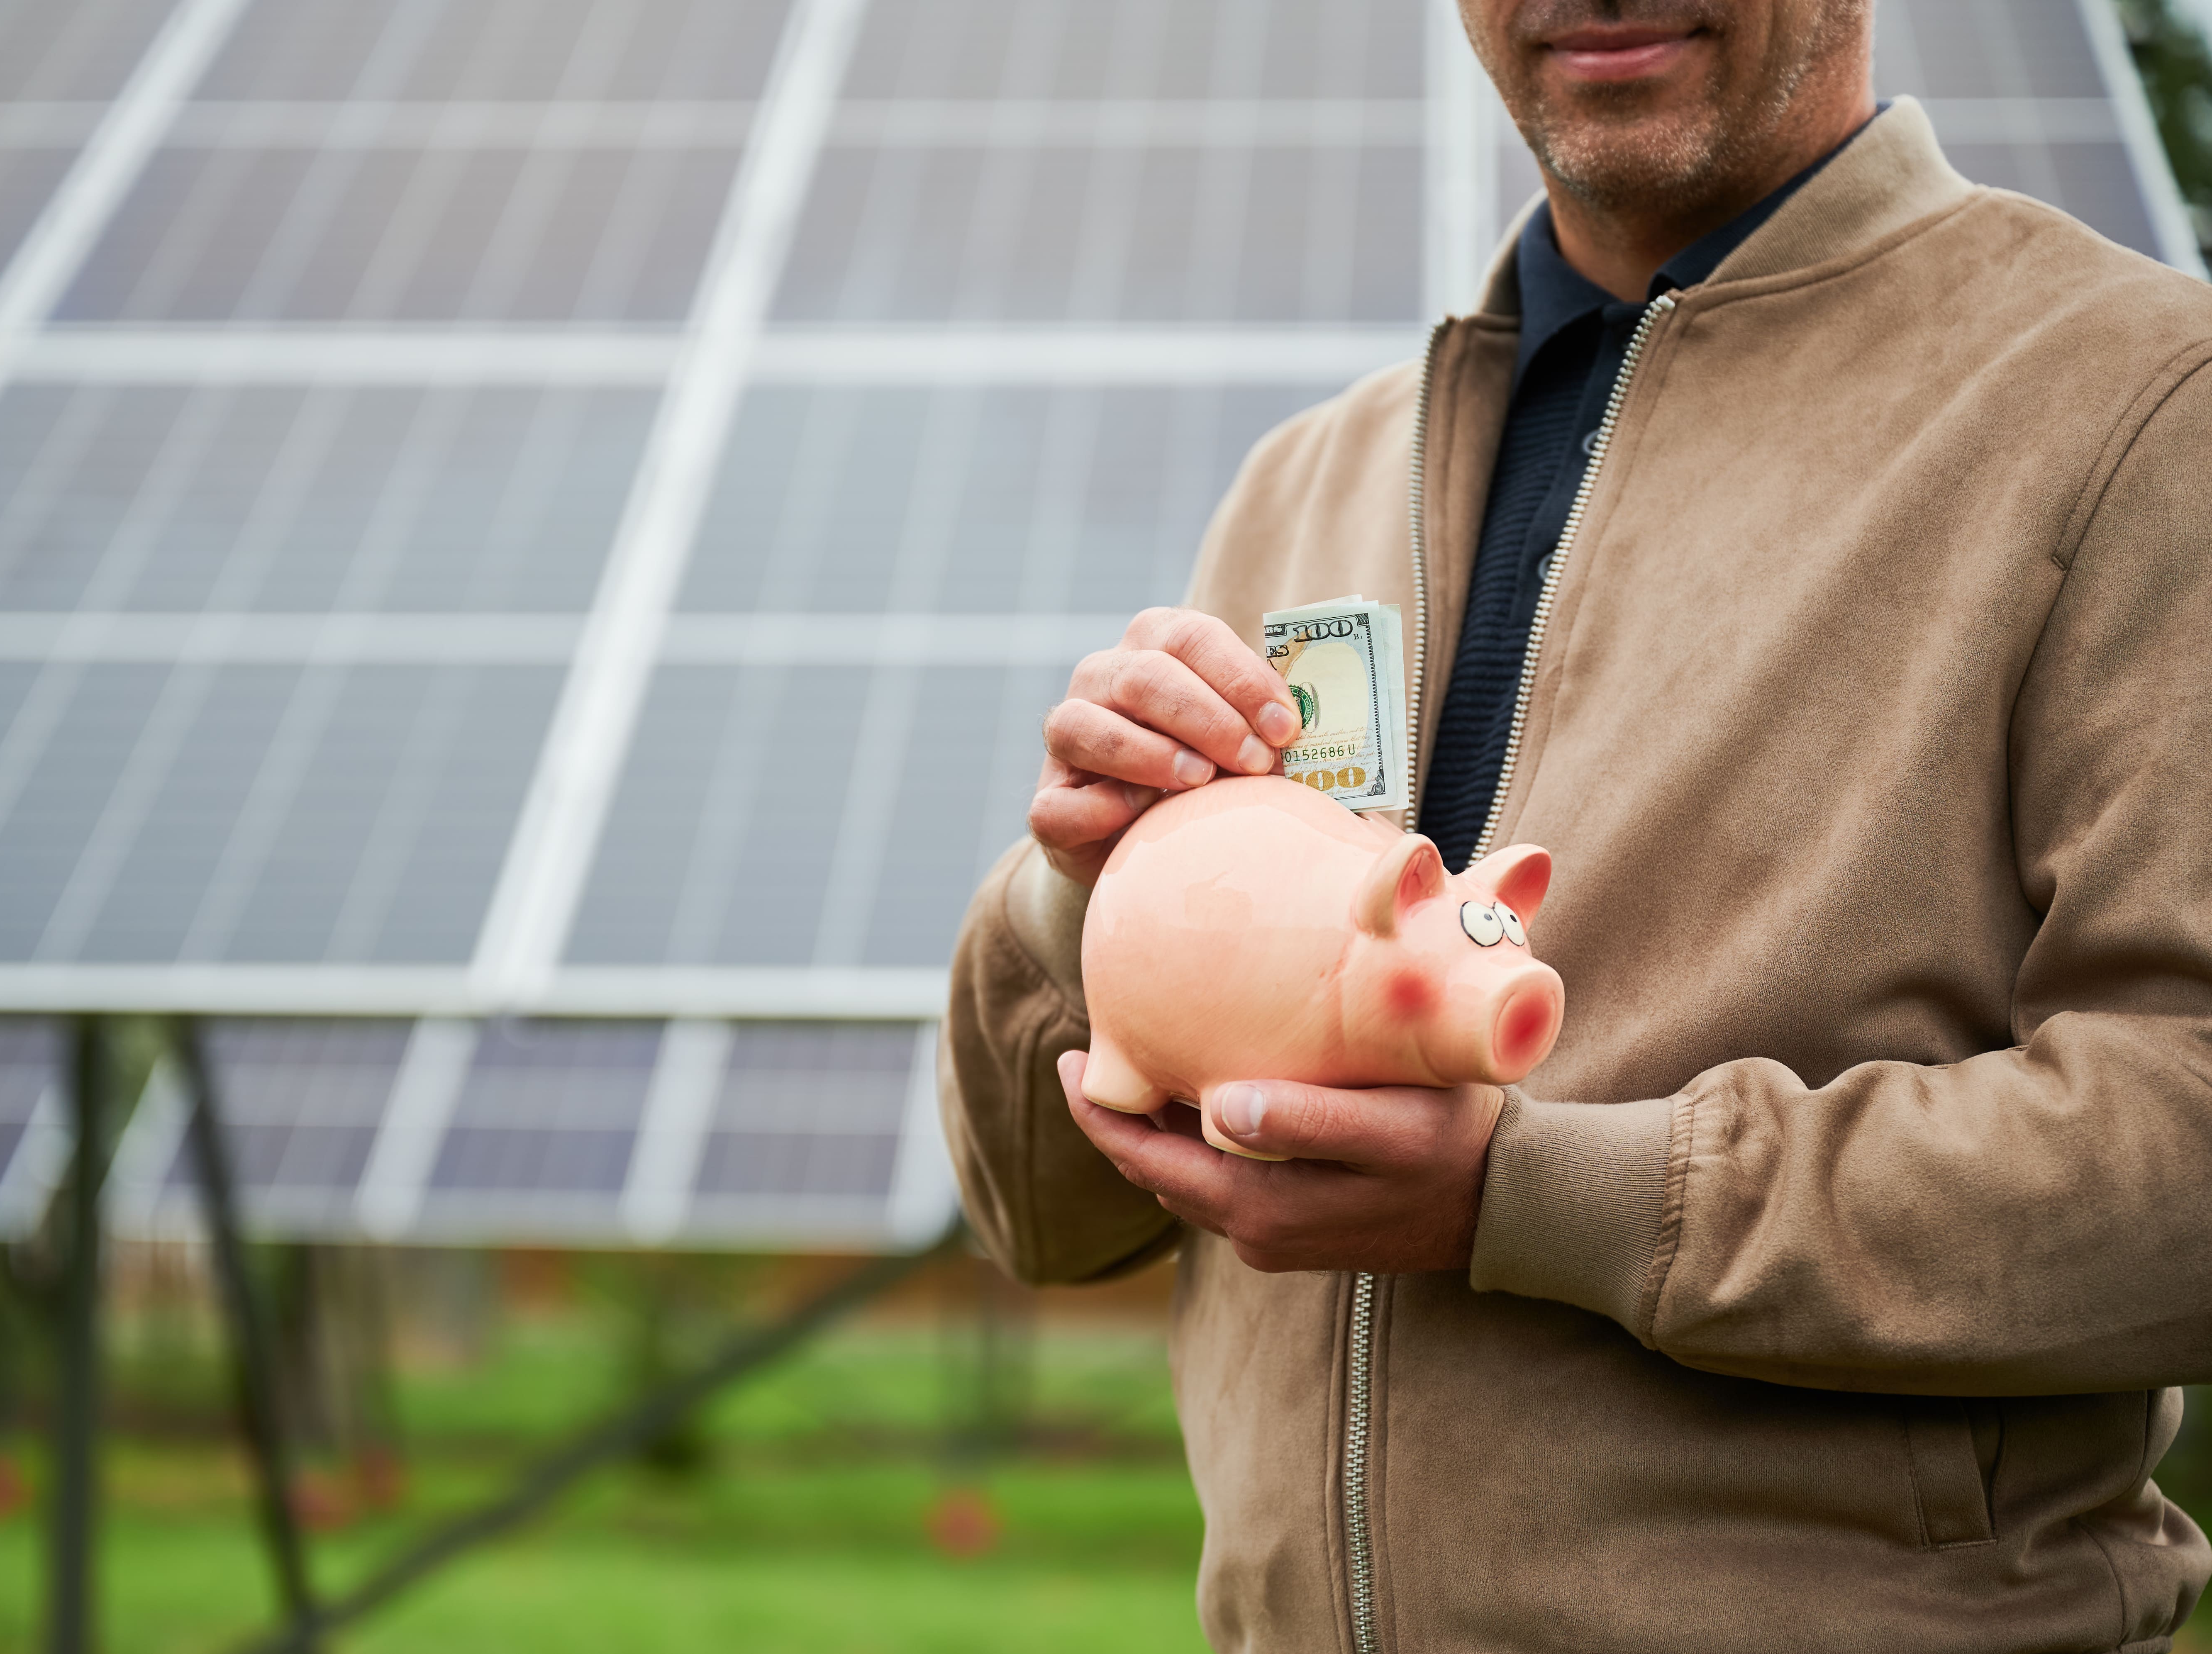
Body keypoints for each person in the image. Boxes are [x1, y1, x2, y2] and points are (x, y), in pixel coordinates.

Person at [939, 1, 2212, 1649]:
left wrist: (1540, 1199)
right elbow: (1040, 1217)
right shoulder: (1305, 481)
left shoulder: (2141, 410)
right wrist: (1087, 895)